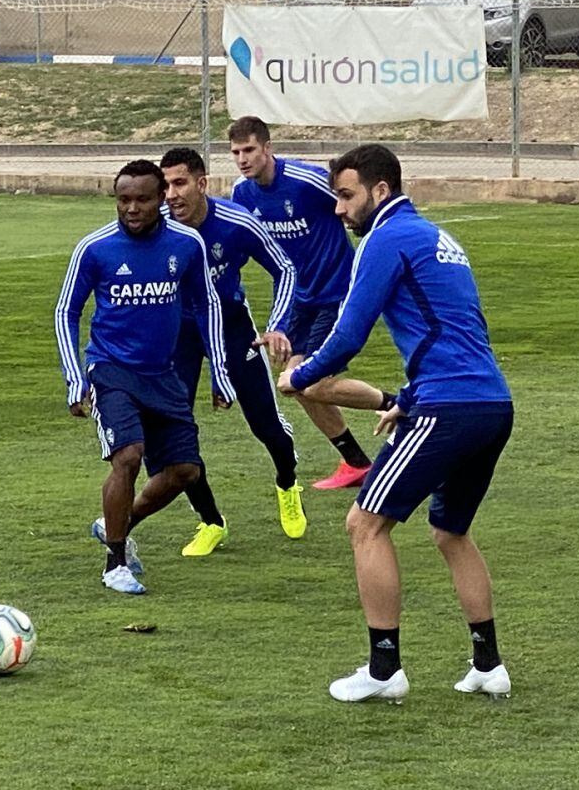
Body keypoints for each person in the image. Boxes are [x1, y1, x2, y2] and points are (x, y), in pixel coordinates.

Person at [277, 144, 514, 703]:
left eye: (345, 195)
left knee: (365, 524)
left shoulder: (385, 239)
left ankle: (385, 671)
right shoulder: (438, 236)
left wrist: (299, 375)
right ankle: (488, 665)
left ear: (379, 191)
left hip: (449, 406)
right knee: (450, 531)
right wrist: (407, 396)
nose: (338, 209)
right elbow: (461, 328)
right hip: (490, 403)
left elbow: (349, 334)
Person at [54, 159, 235, 594]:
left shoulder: (187, 245)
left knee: (185, 471)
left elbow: (207, 306)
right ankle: (115, 563)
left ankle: (116, 523)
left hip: (164, 374)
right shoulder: (95, 249)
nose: (132, 208)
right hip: (111, 369)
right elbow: (66, 311)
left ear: (161, 201)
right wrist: (75, 377)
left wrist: (220, 372)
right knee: (129, 456)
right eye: (123, 199)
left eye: (142, 199)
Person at [229, 116, 396, 490]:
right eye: (236, 152)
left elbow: (353, 203)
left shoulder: (306, 181)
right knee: (295, 383)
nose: (242, 159)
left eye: (250, 150)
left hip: (336, 294)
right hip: (297, 300)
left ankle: (399, 404)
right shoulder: (242, 194)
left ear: (267, 148)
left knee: (308, 383)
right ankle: (355, 462)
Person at [159, 147, 305, 551]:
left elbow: (286, 268)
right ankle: (210, 521)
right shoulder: (159, 227)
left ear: (202, 183)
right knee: (175, 434)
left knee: (266, 425)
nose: (170, 194)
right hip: (179, 333)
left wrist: (277, 324)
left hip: (232, 327)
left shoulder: (237, 222)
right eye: (165, 184)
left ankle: (288, 483)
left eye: (180, 183)